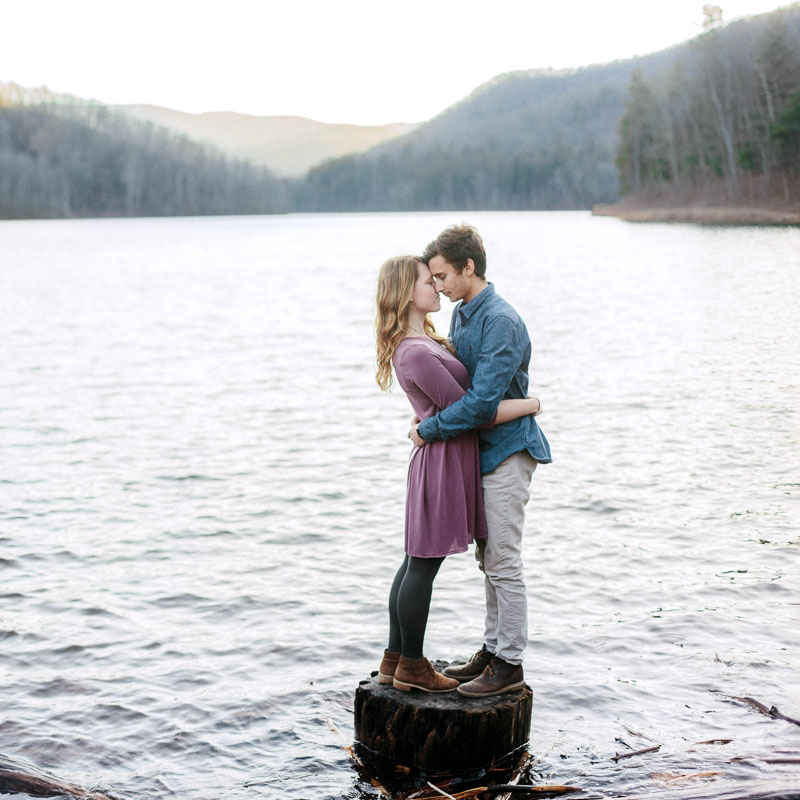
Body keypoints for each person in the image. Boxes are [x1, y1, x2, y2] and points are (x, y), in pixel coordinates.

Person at [375, 255, 541, 693]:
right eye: (428, 281)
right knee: (422, 564)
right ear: (406, 293)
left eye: (437, 278)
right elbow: (472, 412)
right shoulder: (414, 350)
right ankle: (410, 663)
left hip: (444, 458)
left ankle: (396, 660)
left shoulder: (424, 340)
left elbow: (455, 407)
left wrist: (423, 424)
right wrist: (531, 405)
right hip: (442, 462)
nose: (435, 287)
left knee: (417, 561)